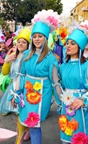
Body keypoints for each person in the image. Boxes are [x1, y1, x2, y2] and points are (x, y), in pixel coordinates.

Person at [10, 9, 61, 144]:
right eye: (35, 36)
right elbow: (20, 75)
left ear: (45, 38)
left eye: (40, 36)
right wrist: (16, 93)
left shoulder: (51, 59)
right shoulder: (26, 55)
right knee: (29, 123)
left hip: (43, 94)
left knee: (35, 124)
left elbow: (55, 81)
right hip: (27, 93)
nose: (37, 39)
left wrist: (61, 99)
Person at [0, 27, 31, 143]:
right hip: (13, 88)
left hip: (24, 88)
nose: (21, 44)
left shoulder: (29, 57)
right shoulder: (13, 55)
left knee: (22, 114)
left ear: (28, 45)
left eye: (24, 42)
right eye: (19, 42)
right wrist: (7, 61)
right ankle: (25, 132)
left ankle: (20, 138)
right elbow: (4, 72)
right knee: (20, 115)